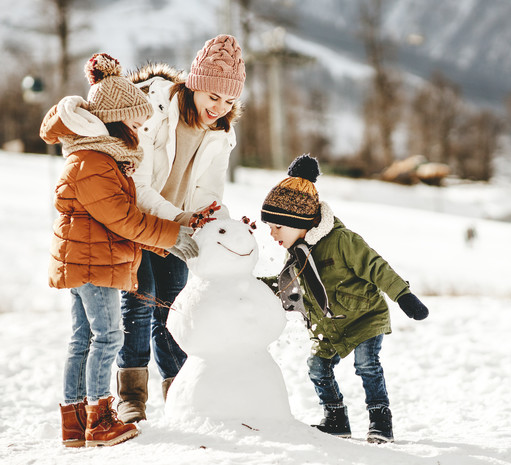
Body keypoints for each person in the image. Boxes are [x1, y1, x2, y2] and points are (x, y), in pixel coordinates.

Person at [41, 52, 199, 447]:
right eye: (134, 123)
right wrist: (171, 235)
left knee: (83, 339)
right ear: (114, 120)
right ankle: (99, 419)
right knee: (108, 337)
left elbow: (119, 220)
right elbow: (124, 218)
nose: (139, 131)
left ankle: (75, 423)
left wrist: (161, 241)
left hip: (89, 259)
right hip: (93, 263)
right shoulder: (93, 162)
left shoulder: (100, 158)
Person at [114, 34, 246, 423]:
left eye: (229, 101)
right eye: (213, 96)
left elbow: (209, 193)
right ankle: (131, 397)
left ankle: (181, 394)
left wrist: (221, 226)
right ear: (194, 85)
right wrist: (179, 220)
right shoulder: (154, 110)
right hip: (137, 221)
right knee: (140, 303)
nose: (219, 108)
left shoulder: (221, 132)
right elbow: (138, 185)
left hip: (178, 228)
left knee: (173, 309)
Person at [260, 154, 430, 444]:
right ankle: (336, 419)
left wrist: (403, 296)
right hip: (329, 326)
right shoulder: (297, 253)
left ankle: (380, 421)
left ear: (298, 221)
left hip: (364, 317)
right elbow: (285, 287)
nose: (272, 233)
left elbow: (376, 267)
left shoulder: (342, 241)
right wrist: (249, 287)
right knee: (317, 366)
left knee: (366, 365)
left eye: (277, 226)